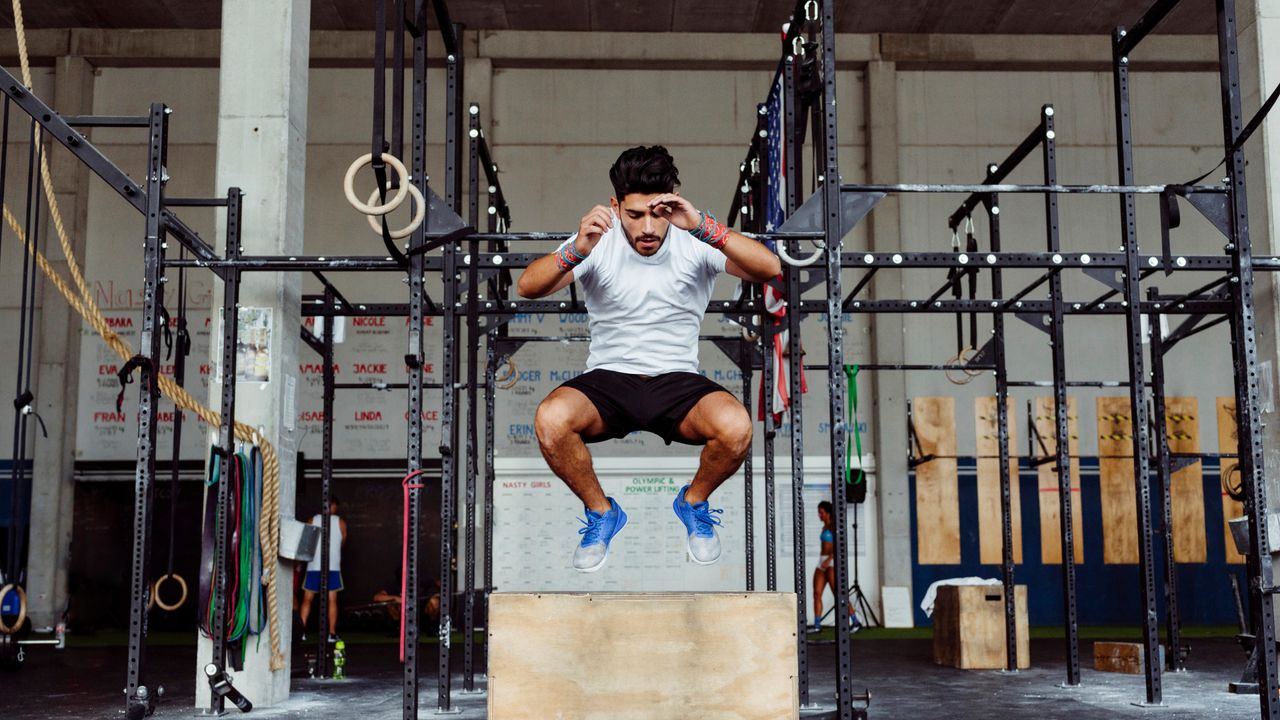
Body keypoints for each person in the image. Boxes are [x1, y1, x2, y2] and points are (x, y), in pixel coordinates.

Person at [517, 145, 781, 572]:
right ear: (615, 206)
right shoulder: (595, 242)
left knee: (736, 428)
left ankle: (693, 503)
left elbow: (770, 268)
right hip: (608, 380)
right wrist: (578, 247)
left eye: (657, 213)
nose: (648, 227)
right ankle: (602, 513)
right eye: (635, 214)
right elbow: (527, 287)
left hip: (678, 381)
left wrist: (702, 226)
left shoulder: (695, 240)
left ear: (672, 202)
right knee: (550, 419)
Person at [299, 496, 346, 642]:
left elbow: (306, 543)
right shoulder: (341, 522)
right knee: (332, 599)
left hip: (314, 566)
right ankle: (331, 634)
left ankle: (301, 632)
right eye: (335, 507)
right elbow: (342, 542)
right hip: (332, 566)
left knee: (307, 599)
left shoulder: (312, 520)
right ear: (331, 506)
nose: (335, 509)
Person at [812, 500, 859, 633]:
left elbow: (840, 546)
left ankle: (855, 621)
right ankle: (817, 625)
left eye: (821, 513)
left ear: (828, 513)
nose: (819, 515)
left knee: (839, 594)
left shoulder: (834, 526)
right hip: (822, 561)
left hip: (832, 562)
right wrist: (824, 560)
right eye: (819, 513)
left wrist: (830, 558)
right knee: (816, 594)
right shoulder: (824, 527)